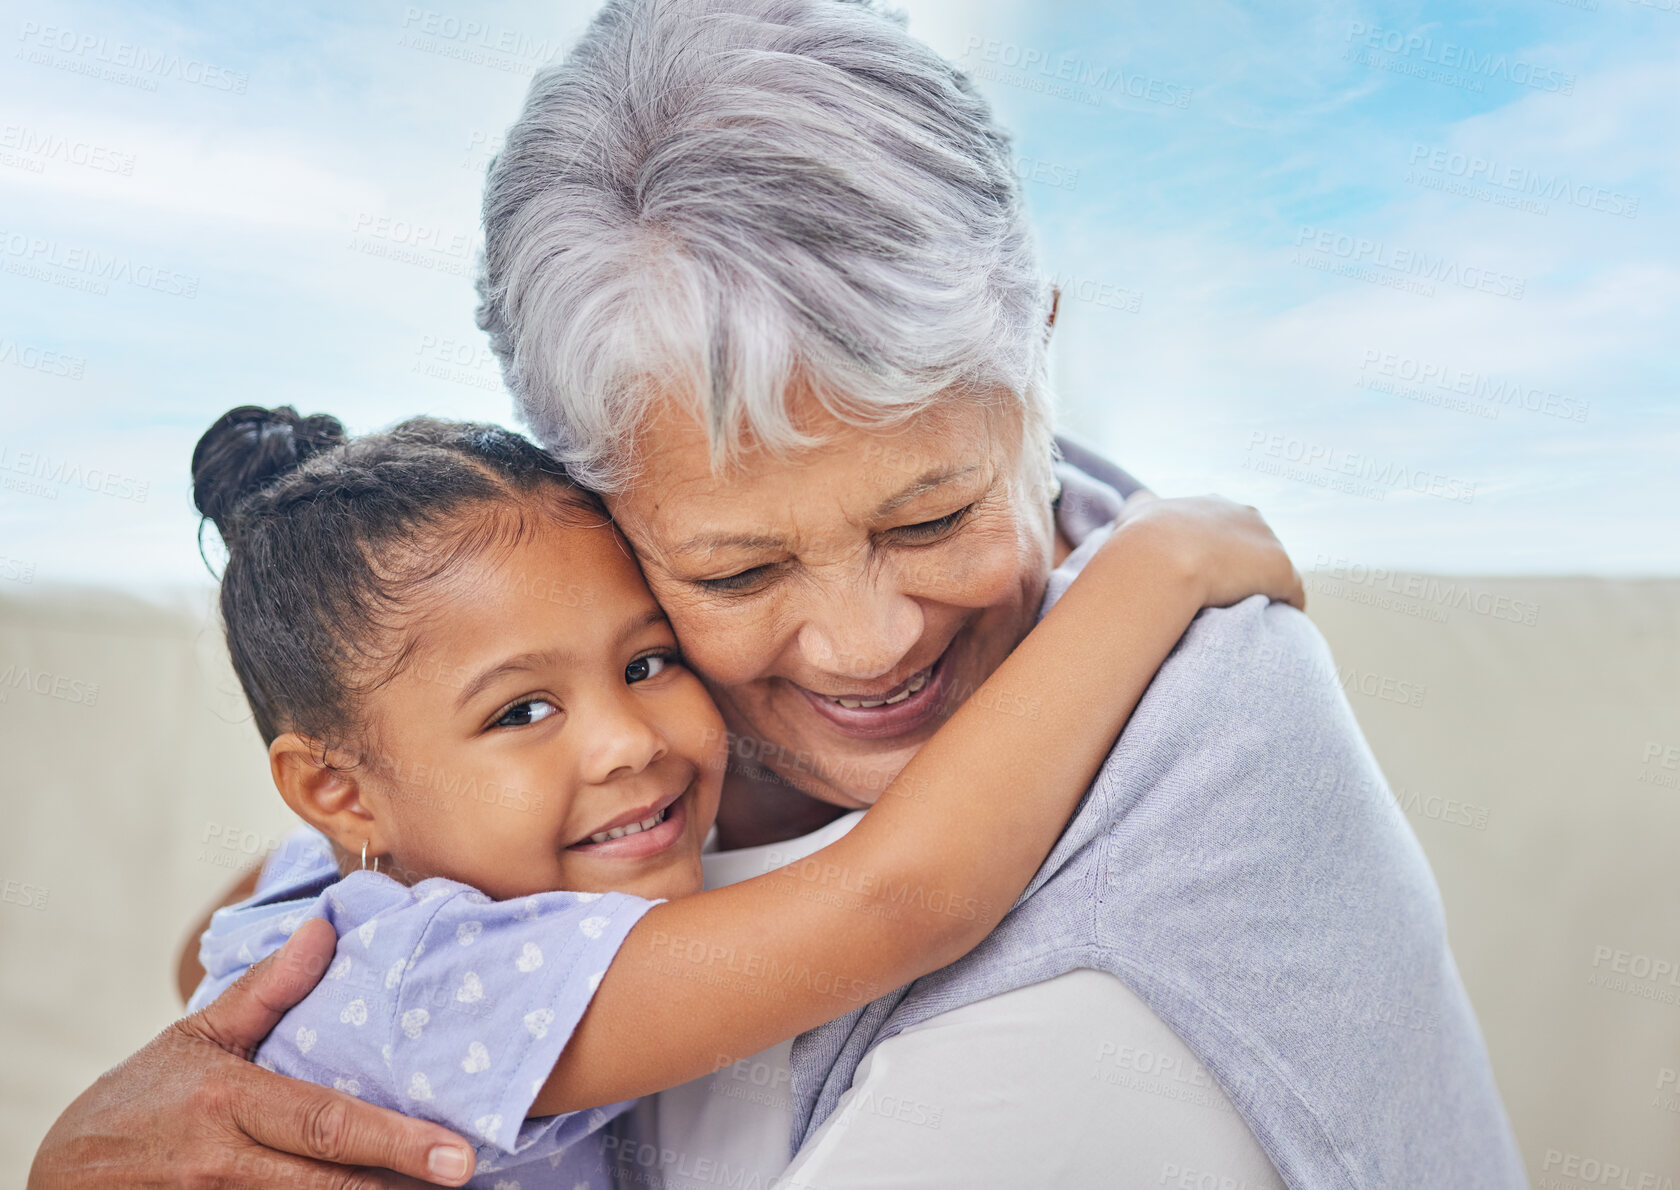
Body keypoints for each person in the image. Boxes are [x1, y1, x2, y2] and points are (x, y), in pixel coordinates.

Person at [34, 1, 1528, 1186]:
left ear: (1037, 361)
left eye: (933, 511)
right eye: (736, 568)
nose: (870, 641)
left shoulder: (1194, 773)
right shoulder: (602, 727)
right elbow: (278, 943)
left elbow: (903, 898)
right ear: (601, 511)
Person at [37, 404, 1291, 1189]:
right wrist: (1154, 565)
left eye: (648, 662)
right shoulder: (443, 978)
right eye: (522, 711)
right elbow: (900, 897)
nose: (630, 741)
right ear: (333, 786)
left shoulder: (342, 891)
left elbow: (210, 937)